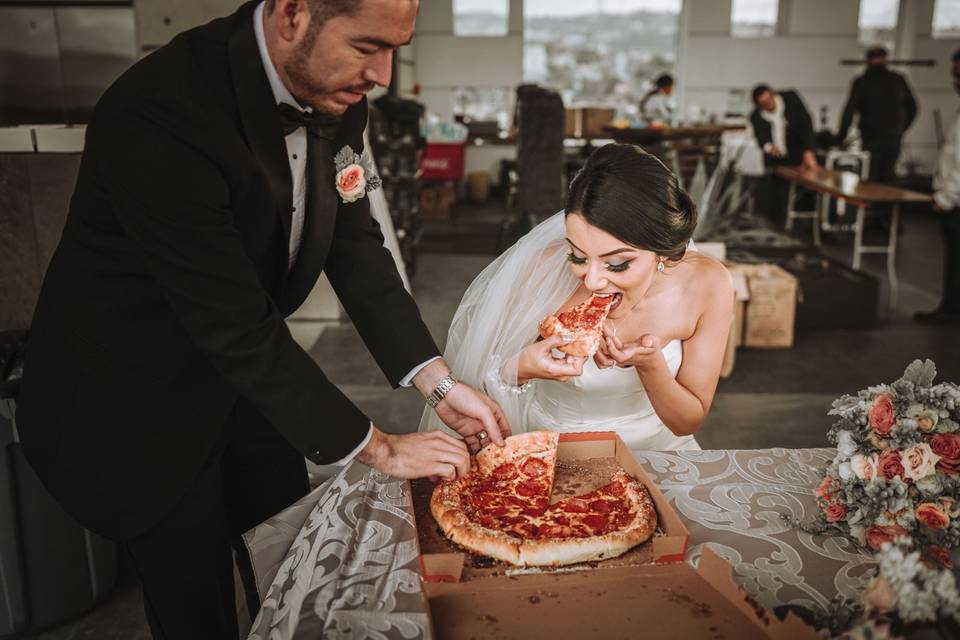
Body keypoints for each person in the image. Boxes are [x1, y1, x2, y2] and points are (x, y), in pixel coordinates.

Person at [16, 1, 509, 638]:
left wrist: (438, 384)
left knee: (287, 550)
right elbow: (231, 321)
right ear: (292, 14)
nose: (383, 75)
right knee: (196, 603)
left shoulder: (337, 91)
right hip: (136, 391)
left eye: (396, 49)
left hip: (251, 377)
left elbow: (354, 245)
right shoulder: (160, 110)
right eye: (366, 47)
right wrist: (380, 448)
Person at [421, 144, 734, 451]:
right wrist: (520, 367)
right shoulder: (541, 269)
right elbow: (479, 384)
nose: (594, 280)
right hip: (552, 455)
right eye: (578, 256)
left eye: (617, 264)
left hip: (659, 455)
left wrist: (650, 366)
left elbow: (687, 422)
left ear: (660, 250)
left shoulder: (707, 283)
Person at [916, 48, 960, 325]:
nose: (956, 82)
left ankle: (952, 309)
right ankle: (952, 307)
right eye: (955, 75)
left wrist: (946, 196)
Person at [837, 46, 917, 185]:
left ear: (867, 61)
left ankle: (870, 206)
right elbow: (913, 108)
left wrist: (840, 138)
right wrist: (901, 129)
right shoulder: (898, 80)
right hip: (893, 137)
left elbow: (848, 112)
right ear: (886, 60)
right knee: (888, 176)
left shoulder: (862, 82)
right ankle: (887, 205)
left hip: (871, 137)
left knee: (871, 176)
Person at [750, 84, 818, 225]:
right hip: (776, 160)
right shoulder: (756, 116)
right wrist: (769, 147)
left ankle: (805, 225)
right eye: (764, 103)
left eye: (769, 100)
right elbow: (761, 138)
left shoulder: (791, 99)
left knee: (806, 191)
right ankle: (778, 225)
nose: (769, 105)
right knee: (777, 196)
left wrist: (808, 149)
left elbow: (806, 123)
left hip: (797, 154)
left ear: (773, 94)